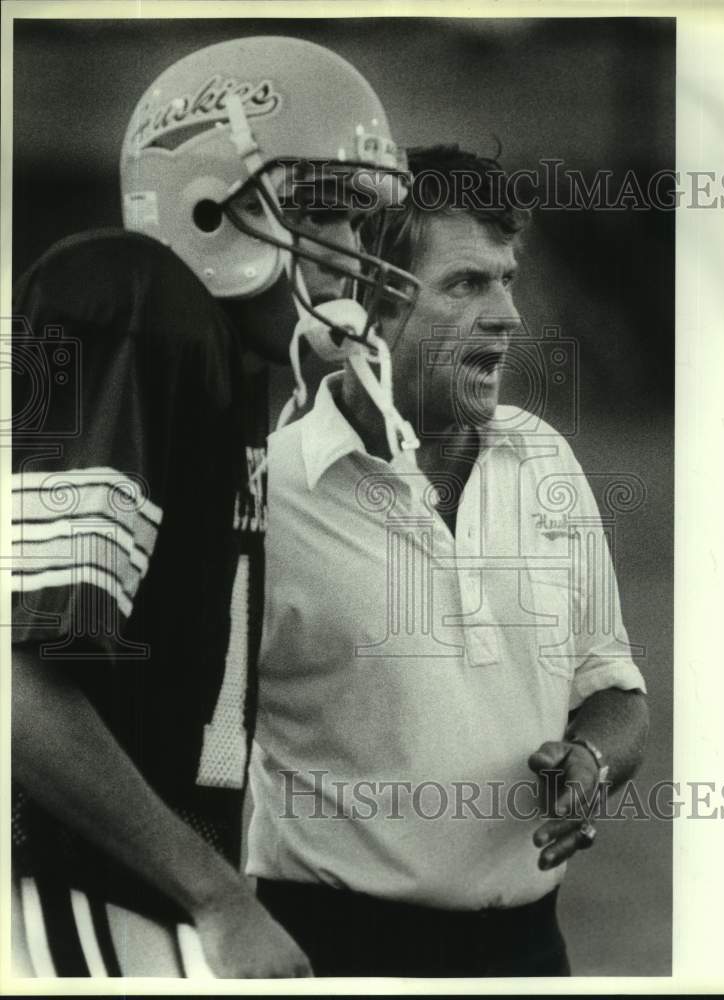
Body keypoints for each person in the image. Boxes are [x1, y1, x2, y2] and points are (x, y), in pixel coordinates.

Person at [10, 35, 418, 978]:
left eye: (358, 217)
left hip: (137, 889)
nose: (351, 254)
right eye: (320, 209)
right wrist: (218, 898)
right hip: (72, 892)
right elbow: (18, 683)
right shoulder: (130, 300)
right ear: (206, 204)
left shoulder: (222, 368)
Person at [247, 145, 650, 977]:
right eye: (465, 284)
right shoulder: (272, 490)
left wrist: (590, 764)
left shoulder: (544, 459)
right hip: (333, 953)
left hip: (531, 953)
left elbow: (613, 690)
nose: (507, 316)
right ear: (360, 303)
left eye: (506, 280)